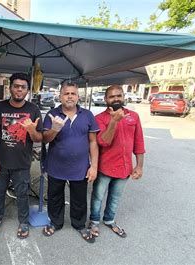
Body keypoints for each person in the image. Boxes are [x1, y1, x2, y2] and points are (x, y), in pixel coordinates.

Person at [41, 83, 99, 243]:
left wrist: (94, 166)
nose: (70, 96)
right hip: (56, 166)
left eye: (73, 93)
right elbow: (44, 139)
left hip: (80, 167)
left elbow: (93, 142)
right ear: (60, 96)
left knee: (79, 199)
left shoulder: (87, 115)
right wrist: (54, 129)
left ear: (78, 97)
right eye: (66, 93)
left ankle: (79, 224)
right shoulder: (52, 114)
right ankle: (55, 222)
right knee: (54, 197)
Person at [0, 72, 43, 239]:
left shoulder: (33, 109)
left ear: (27, 90)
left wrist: (32, 130)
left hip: (22, 163)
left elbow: (39, 138)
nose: (19, 90)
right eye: (16, 86)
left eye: (23, 87)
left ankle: (24, 222)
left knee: (22, 194)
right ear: (10, 88)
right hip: (1, 162)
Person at [89, 85, 145, 239]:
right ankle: (94, 221)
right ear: (106, 99)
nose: (116, 99)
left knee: (115, 197)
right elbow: (103, 142)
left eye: (119, 96)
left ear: (123, 97)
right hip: (105, 167)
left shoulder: (134, 116)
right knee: (98, 196)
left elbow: (139, 143)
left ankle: (109, 219)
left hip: (125, 168)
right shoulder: (99, 119)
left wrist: (139, 166)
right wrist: (114, 121)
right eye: (112, 97)